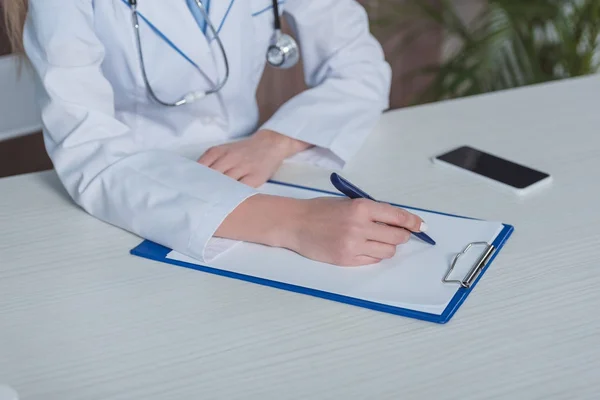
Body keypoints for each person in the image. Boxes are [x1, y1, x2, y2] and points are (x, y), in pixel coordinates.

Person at [3, 0, 427, 267]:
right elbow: (90, 152)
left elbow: (361, 69)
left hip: (260, 162)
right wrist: (296, 222)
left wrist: (274, 141)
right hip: (134, 191)